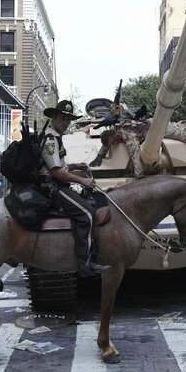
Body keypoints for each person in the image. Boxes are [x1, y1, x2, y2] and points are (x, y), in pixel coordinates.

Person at [39, 100, 111, 277]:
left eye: (68, 119)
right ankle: (84, 264)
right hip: (52, 187)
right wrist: (82, 181)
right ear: (54, 117)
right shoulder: (50, 139)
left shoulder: (55, 136)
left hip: (56, 183)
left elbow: (58, 166)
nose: (65, 123)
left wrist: (74, 166)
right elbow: (55, 173)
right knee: (86, 213)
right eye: (63, 118)